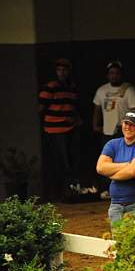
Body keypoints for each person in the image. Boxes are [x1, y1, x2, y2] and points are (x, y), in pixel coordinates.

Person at [38, 58, 81, 200]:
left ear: (68, 71)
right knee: (60, 161)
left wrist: (75, 119)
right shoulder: (50, 87)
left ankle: (69, 191)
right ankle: (57, 193)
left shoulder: (72, 87)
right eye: (59, 70)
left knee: (71, 160)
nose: (62, 73)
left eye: (64, 70)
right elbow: (41, 108)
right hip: (54, 130)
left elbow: (73, 107)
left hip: (70, 128)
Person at [96, 109, 135, 224]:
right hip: (115, 204)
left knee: (132, 241)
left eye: (132, 124)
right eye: (126, 123)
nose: (128, 127)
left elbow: (132, 171)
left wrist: (111, 172)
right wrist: (127, 164)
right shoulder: (113, 144)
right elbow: (100, 167)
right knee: (117, 241)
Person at [93, 60, 135, 140]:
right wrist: (96, 125)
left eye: (117, 73)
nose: (114, 76)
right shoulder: (101, 90)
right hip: (106, 132)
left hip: (123, 131)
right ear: (108, 75)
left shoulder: (129, 89)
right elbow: (97, 109)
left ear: (121, 75)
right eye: (111, 73)